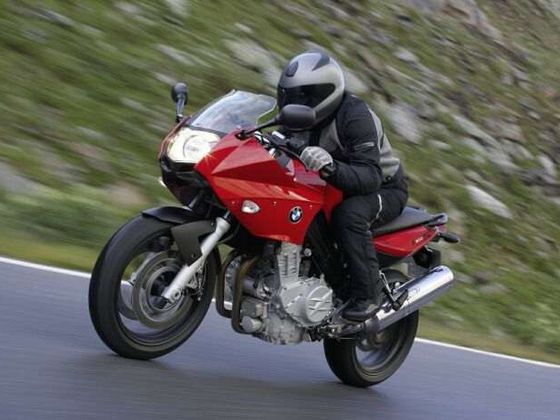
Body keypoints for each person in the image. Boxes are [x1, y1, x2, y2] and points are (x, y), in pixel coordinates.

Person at [277, 51, 409, 322]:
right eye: (290, 96)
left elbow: (370, 175)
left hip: (383, 188)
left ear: (325, 94)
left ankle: (368, 296)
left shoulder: (354, 116)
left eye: (305, 96)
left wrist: (331, 167)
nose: (296, 103)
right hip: (332, 185)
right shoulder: (299, 116)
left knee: (349, 215)